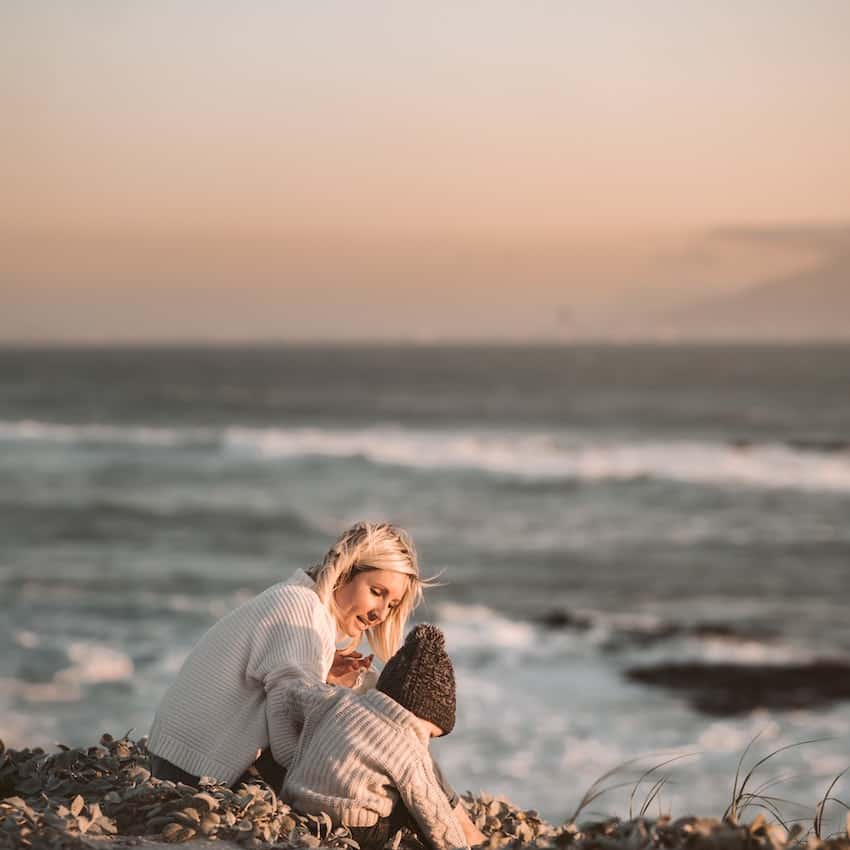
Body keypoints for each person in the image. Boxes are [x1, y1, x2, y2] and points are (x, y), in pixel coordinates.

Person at [148, 521, 423, 789]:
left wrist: (324, 677)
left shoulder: (297, 599)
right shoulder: (301, 609)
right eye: (376, 592)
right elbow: (287, 738)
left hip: (182, 760)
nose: (381, 613)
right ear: (344, 571)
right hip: (192, 773)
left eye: (392, 604)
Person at [279, 624, 473, 850]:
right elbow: (435, 814)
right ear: (416, 712)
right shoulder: (408, 747)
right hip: (359, 829)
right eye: (429, 733)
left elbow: (293, 692)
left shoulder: (338, 700)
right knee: (415, 804)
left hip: (300, 808)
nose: (426, 742)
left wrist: (329, 671)